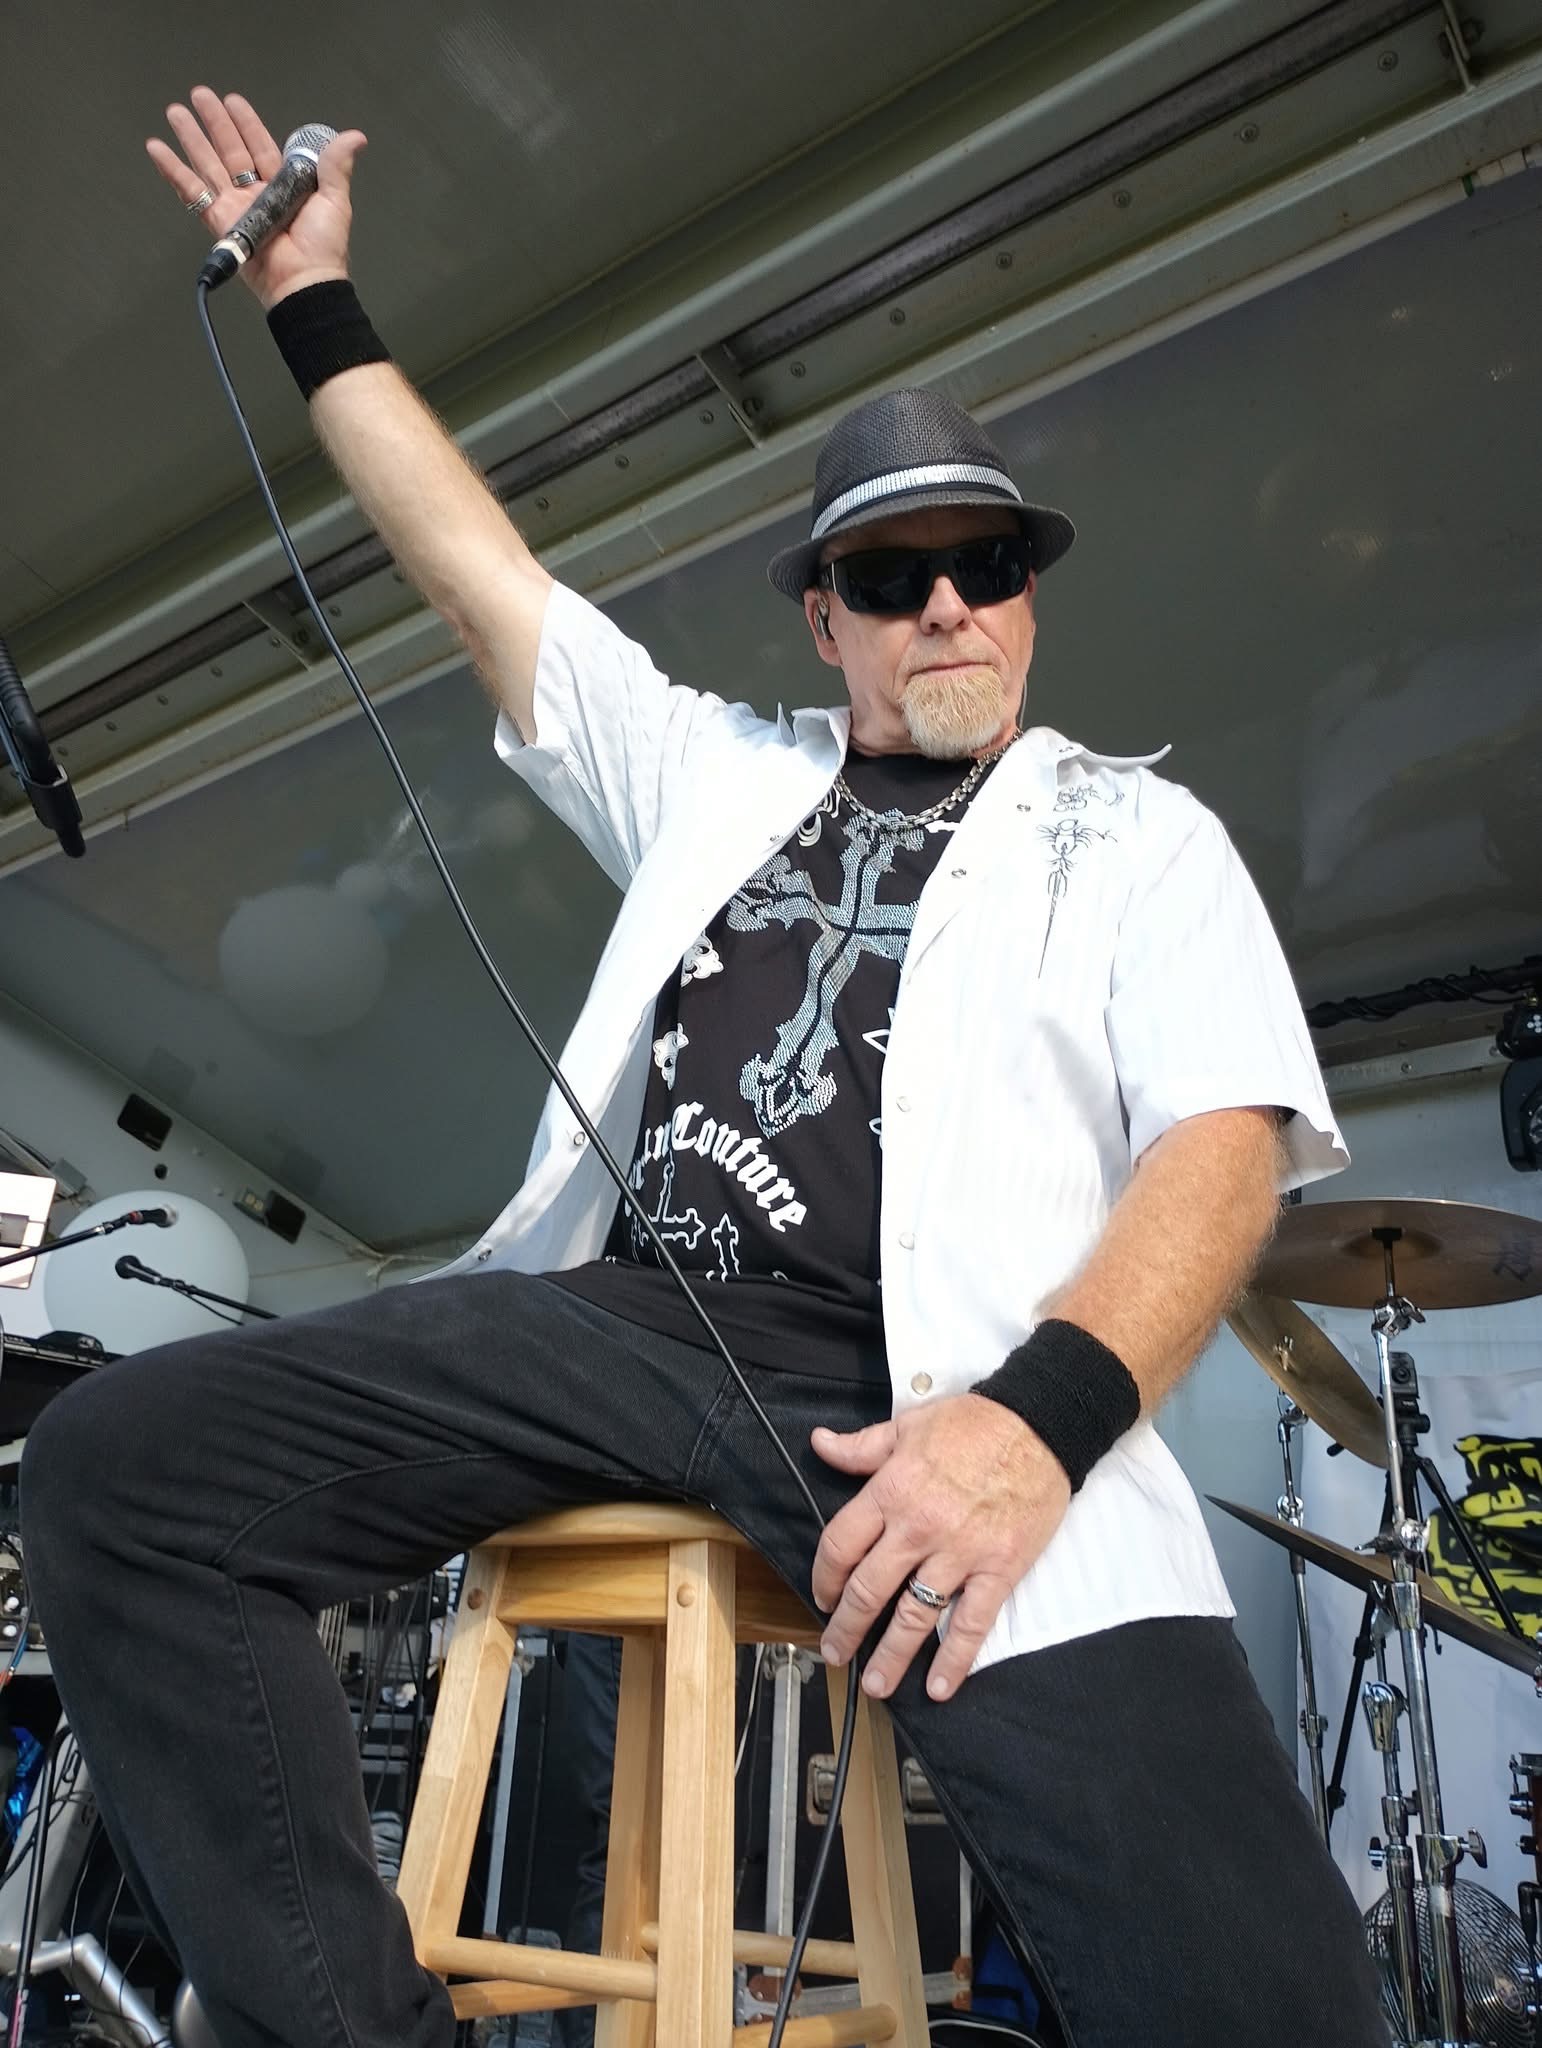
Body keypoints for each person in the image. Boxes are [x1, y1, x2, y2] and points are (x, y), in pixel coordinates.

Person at [18, 88, 1391, 2048]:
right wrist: (313, 300)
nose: (945, 602)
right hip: (623, 1323)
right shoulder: (714, 772)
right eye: (892, 572)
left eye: (984, 562)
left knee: (1263, 2001)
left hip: (946, 1386)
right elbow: (478, 574)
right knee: (118, 1475)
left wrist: (1036, 1427)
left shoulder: (1132, 833)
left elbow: (1225, 1146)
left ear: (1026, 597)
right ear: (824, 619)